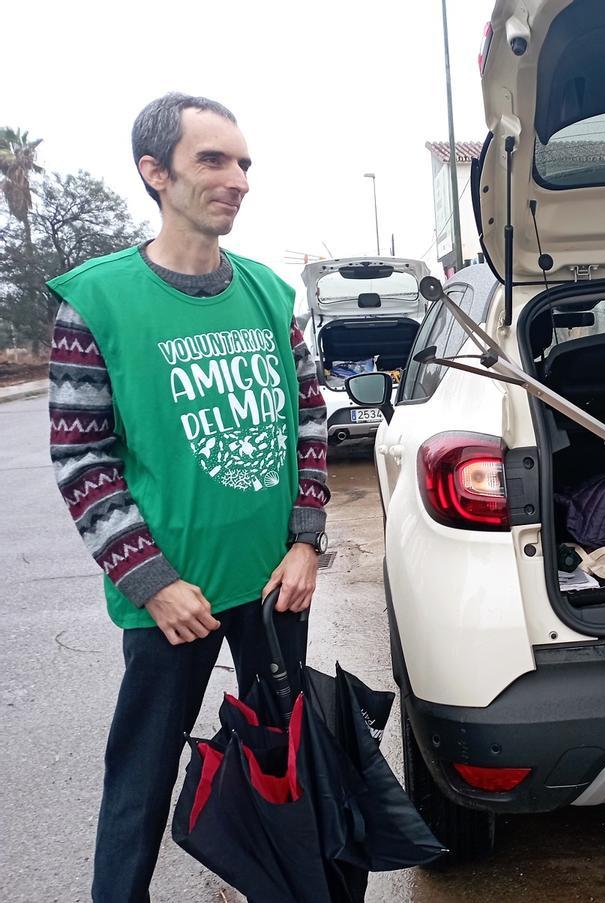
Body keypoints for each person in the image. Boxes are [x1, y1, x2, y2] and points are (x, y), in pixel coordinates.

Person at [46, 92, 330, 902]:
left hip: (276, 586)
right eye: (213, 160)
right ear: (155, 172)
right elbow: (82, 457)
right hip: (174, 598)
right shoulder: (95, 302)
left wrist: (307, 539)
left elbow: (308, 420)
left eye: (244, 163)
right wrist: (153, 582)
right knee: (140, 779)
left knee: (285, 764)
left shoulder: (271, 297)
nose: (237, 178)